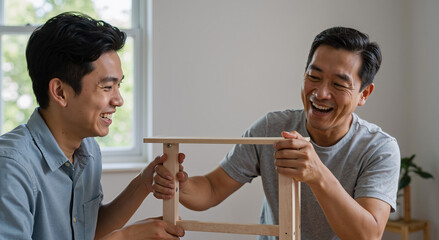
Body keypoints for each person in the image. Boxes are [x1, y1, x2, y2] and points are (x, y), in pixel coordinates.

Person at [153, 27, 400, 240]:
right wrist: (180, 186)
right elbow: (213, 188)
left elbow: (367, 234)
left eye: (338, 84)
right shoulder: (272, 128)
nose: (321, 93)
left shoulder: (379, 148)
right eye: (313, 77)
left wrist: (318, 175)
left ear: (364, 94)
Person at [0, 12, 185, 240]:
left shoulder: (88, 150)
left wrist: (143, 184)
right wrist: (125, 237)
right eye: (107, 87)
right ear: (60, 92)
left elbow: (88, 232)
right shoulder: (11, 167)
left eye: (119, 86)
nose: (118, 100)